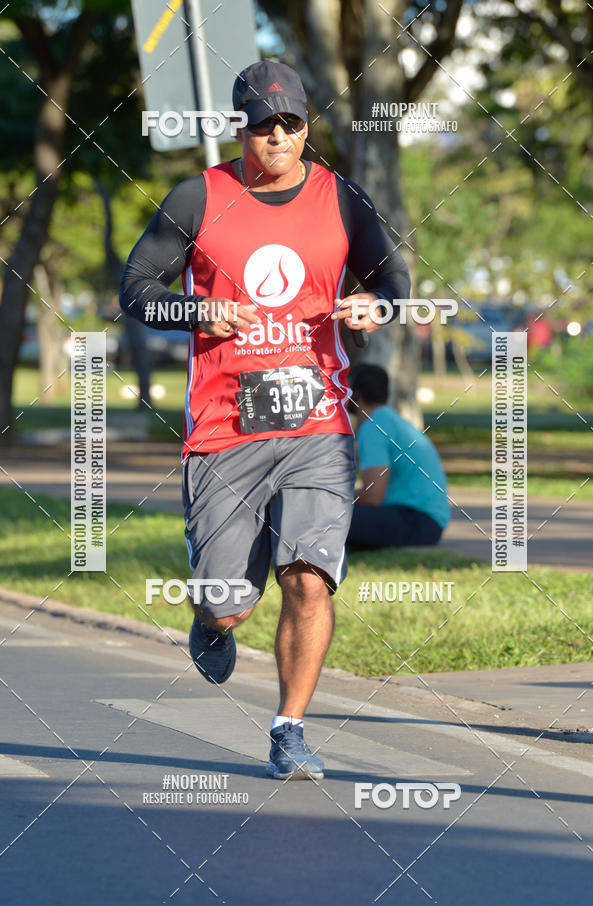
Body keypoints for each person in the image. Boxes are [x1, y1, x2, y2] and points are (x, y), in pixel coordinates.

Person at [119, 60, 409, 780]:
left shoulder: (341, 198)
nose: (277, 136)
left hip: (318, 423)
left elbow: (392, 277)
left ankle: (290, 730)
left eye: (291, 123)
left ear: (308, 126)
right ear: (238, 126)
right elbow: (135, 288)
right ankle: (212, 618)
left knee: (309, 578)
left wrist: (379, 305)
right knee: (228, 603)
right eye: (262, 123)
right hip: (225, 428)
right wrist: (199, 308)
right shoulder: (198, 197)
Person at [347, 364, 449, 548]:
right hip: (427, 521)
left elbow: (372, 497)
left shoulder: (373, 427)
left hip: (417, 520)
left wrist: (332, 499)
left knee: (327, 516)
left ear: (356, 394)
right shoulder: (390, 419)